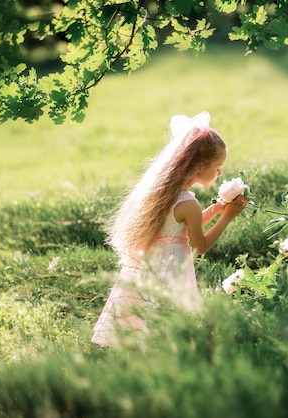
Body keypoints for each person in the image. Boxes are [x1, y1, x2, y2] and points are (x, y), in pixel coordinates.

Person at [91, 111, 247, 346]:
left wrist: (215, 210)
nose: (220, 173)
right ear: (199, 167)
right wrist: (228, 217)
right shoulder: (189, 203)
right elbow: (200, 246)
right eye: (217, 167)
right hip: (171, 268)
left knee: (145, 313)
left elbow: (175, 228)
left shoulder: (166, 194)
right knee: (168, 318)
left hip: (151, 264)